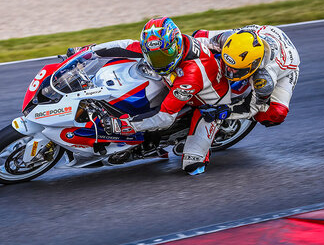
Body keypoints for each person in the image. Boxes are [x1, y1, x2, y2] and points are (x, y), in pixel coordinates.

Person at [68, 17, 233, 175]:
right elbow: (126, 45)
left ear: (175, 47)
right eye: (154, 56)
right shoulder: (164, 44)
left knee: (192, 166)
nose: (158, 62)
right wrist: (87, 52)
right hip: (177, 82)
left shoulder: (192, 74)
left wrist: (122, 125)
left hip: (207, 104)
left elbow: (165, 117)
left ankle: (197, 146)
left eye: (162, 56)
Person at [192, 25, 300, 127]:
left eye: (234, 68)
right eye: (227, 64)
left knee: (276, 114)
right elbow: (198, 40)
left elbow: (252, 107)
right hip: (260, 33)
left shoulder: (264, 78)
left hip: (286, 69)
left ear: (253, 66)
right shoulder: (227, 38)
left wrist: (223, 112)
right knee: (198, 35)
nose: (228, 70)